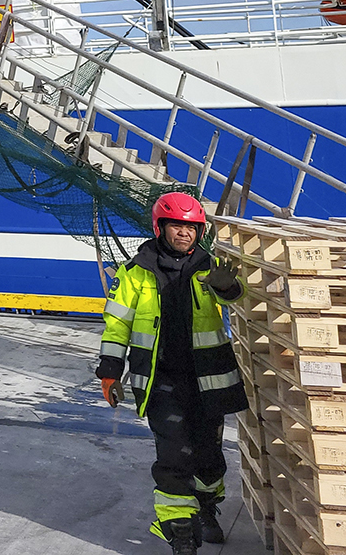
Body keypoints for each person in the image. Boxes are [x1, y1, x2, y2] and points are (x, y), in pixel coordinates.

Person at [96, 192, 246, 554]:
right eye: (177, 226)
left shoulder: (210, 267)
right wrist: (109, 371)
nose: (185, 234)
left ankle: (207, 508)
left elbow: (233, 299)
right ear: (160, 227)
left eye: (192, 228)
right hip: (161, 381)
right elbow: (117, 325)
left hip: (208, 380)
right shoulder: (135, 274)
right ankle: (180, 533)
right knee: (174, 454)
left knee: (209, 456)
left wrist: (226, 286)